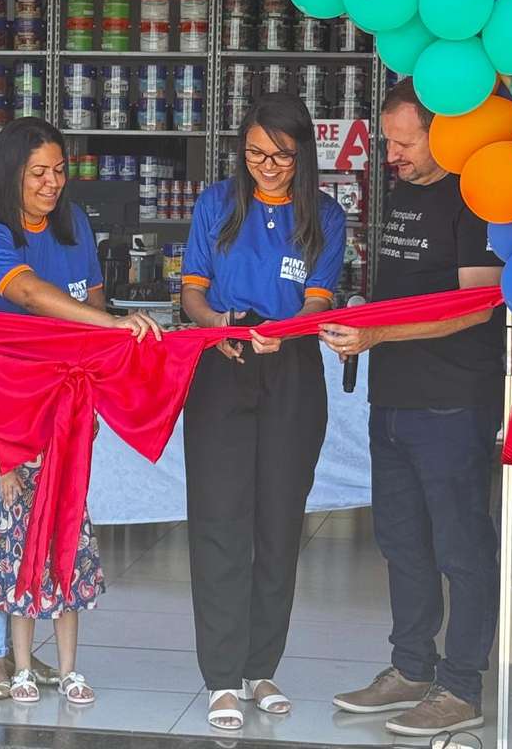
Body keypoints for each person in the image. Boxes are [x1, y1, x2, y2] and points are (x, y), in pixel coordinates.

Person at [0, 117, 160, 706]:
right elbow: (28, 293)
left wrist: (104, 350)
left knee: (41, 514)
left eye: (59, 170)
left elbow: (92, 299)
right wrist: (109, 324)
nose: (52, 183)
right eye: (38, 173)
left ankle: (25, 652)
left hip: (46, 382)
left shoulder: (72, 221)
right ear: (10, 174)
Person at [321, 78, 504, 739]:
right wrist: (361, 316)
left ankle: (461, 686)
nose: (392, 154)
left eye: (404, 143)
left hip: (453, 402)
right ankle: (411, 668)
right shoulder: (403, 190)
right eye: (389, 141)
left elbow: (476, 305)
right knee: (401, 542)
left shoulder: (475, 197)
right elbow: (405, 292)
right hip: (394, 397)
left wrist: (377, 334)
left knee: (461, 547)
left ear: (442, 134)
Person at [180, 92, 346, 731]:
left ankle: (260, 667)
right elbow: (192, 293)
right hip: (222, 360)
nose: (267, 167)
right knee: (220, 522)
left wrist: (289, 329)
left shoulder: (323, 215)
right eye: (255, 154)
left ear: (303, 154)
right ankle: (222, 677)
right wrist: (217, 324)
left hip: (291, 365)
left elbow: (319, 300)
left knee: (279, 523)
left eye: (281, 156)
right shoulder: (217, 204)